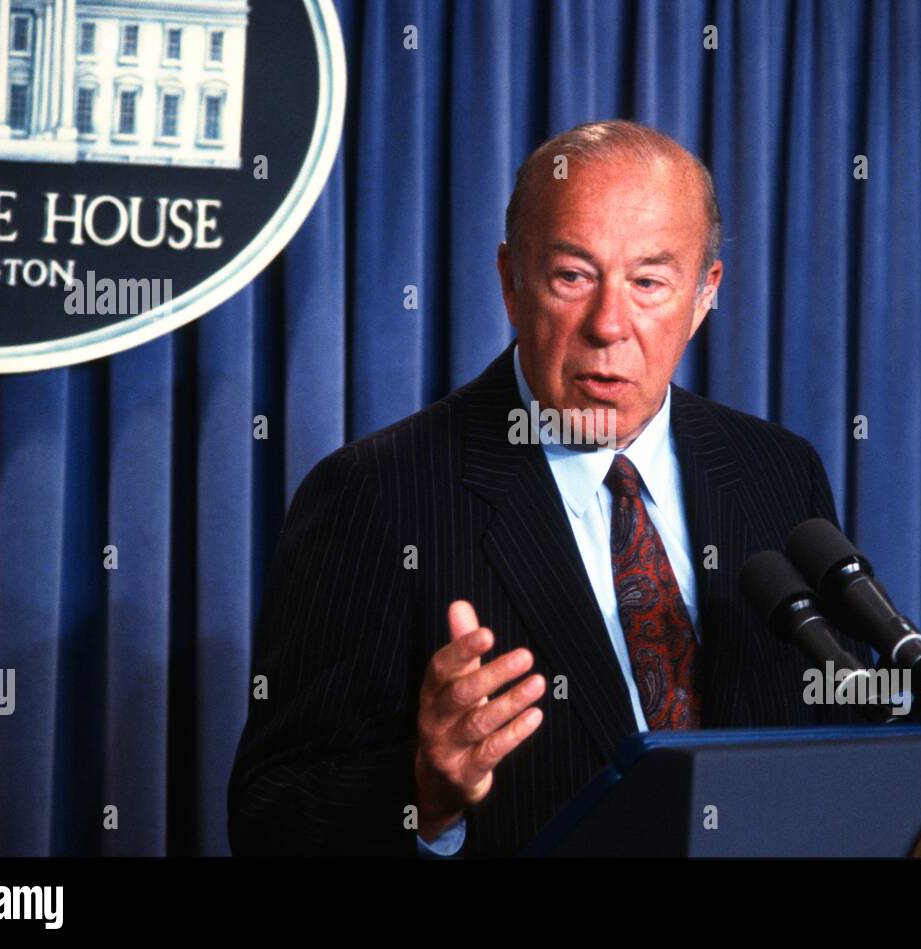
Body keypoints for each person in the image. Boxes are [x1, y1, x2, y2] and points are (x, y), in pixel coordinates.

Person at [227, 119, 870, 857]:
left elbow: (837, 749)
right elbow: (269, 817)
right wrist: (422, 792)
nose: (609, 325)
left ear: (703, 295)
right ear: (511, 281)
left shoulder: (778, 472)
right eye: (572, 276)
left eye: (650, 283)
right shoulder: (374, 495)